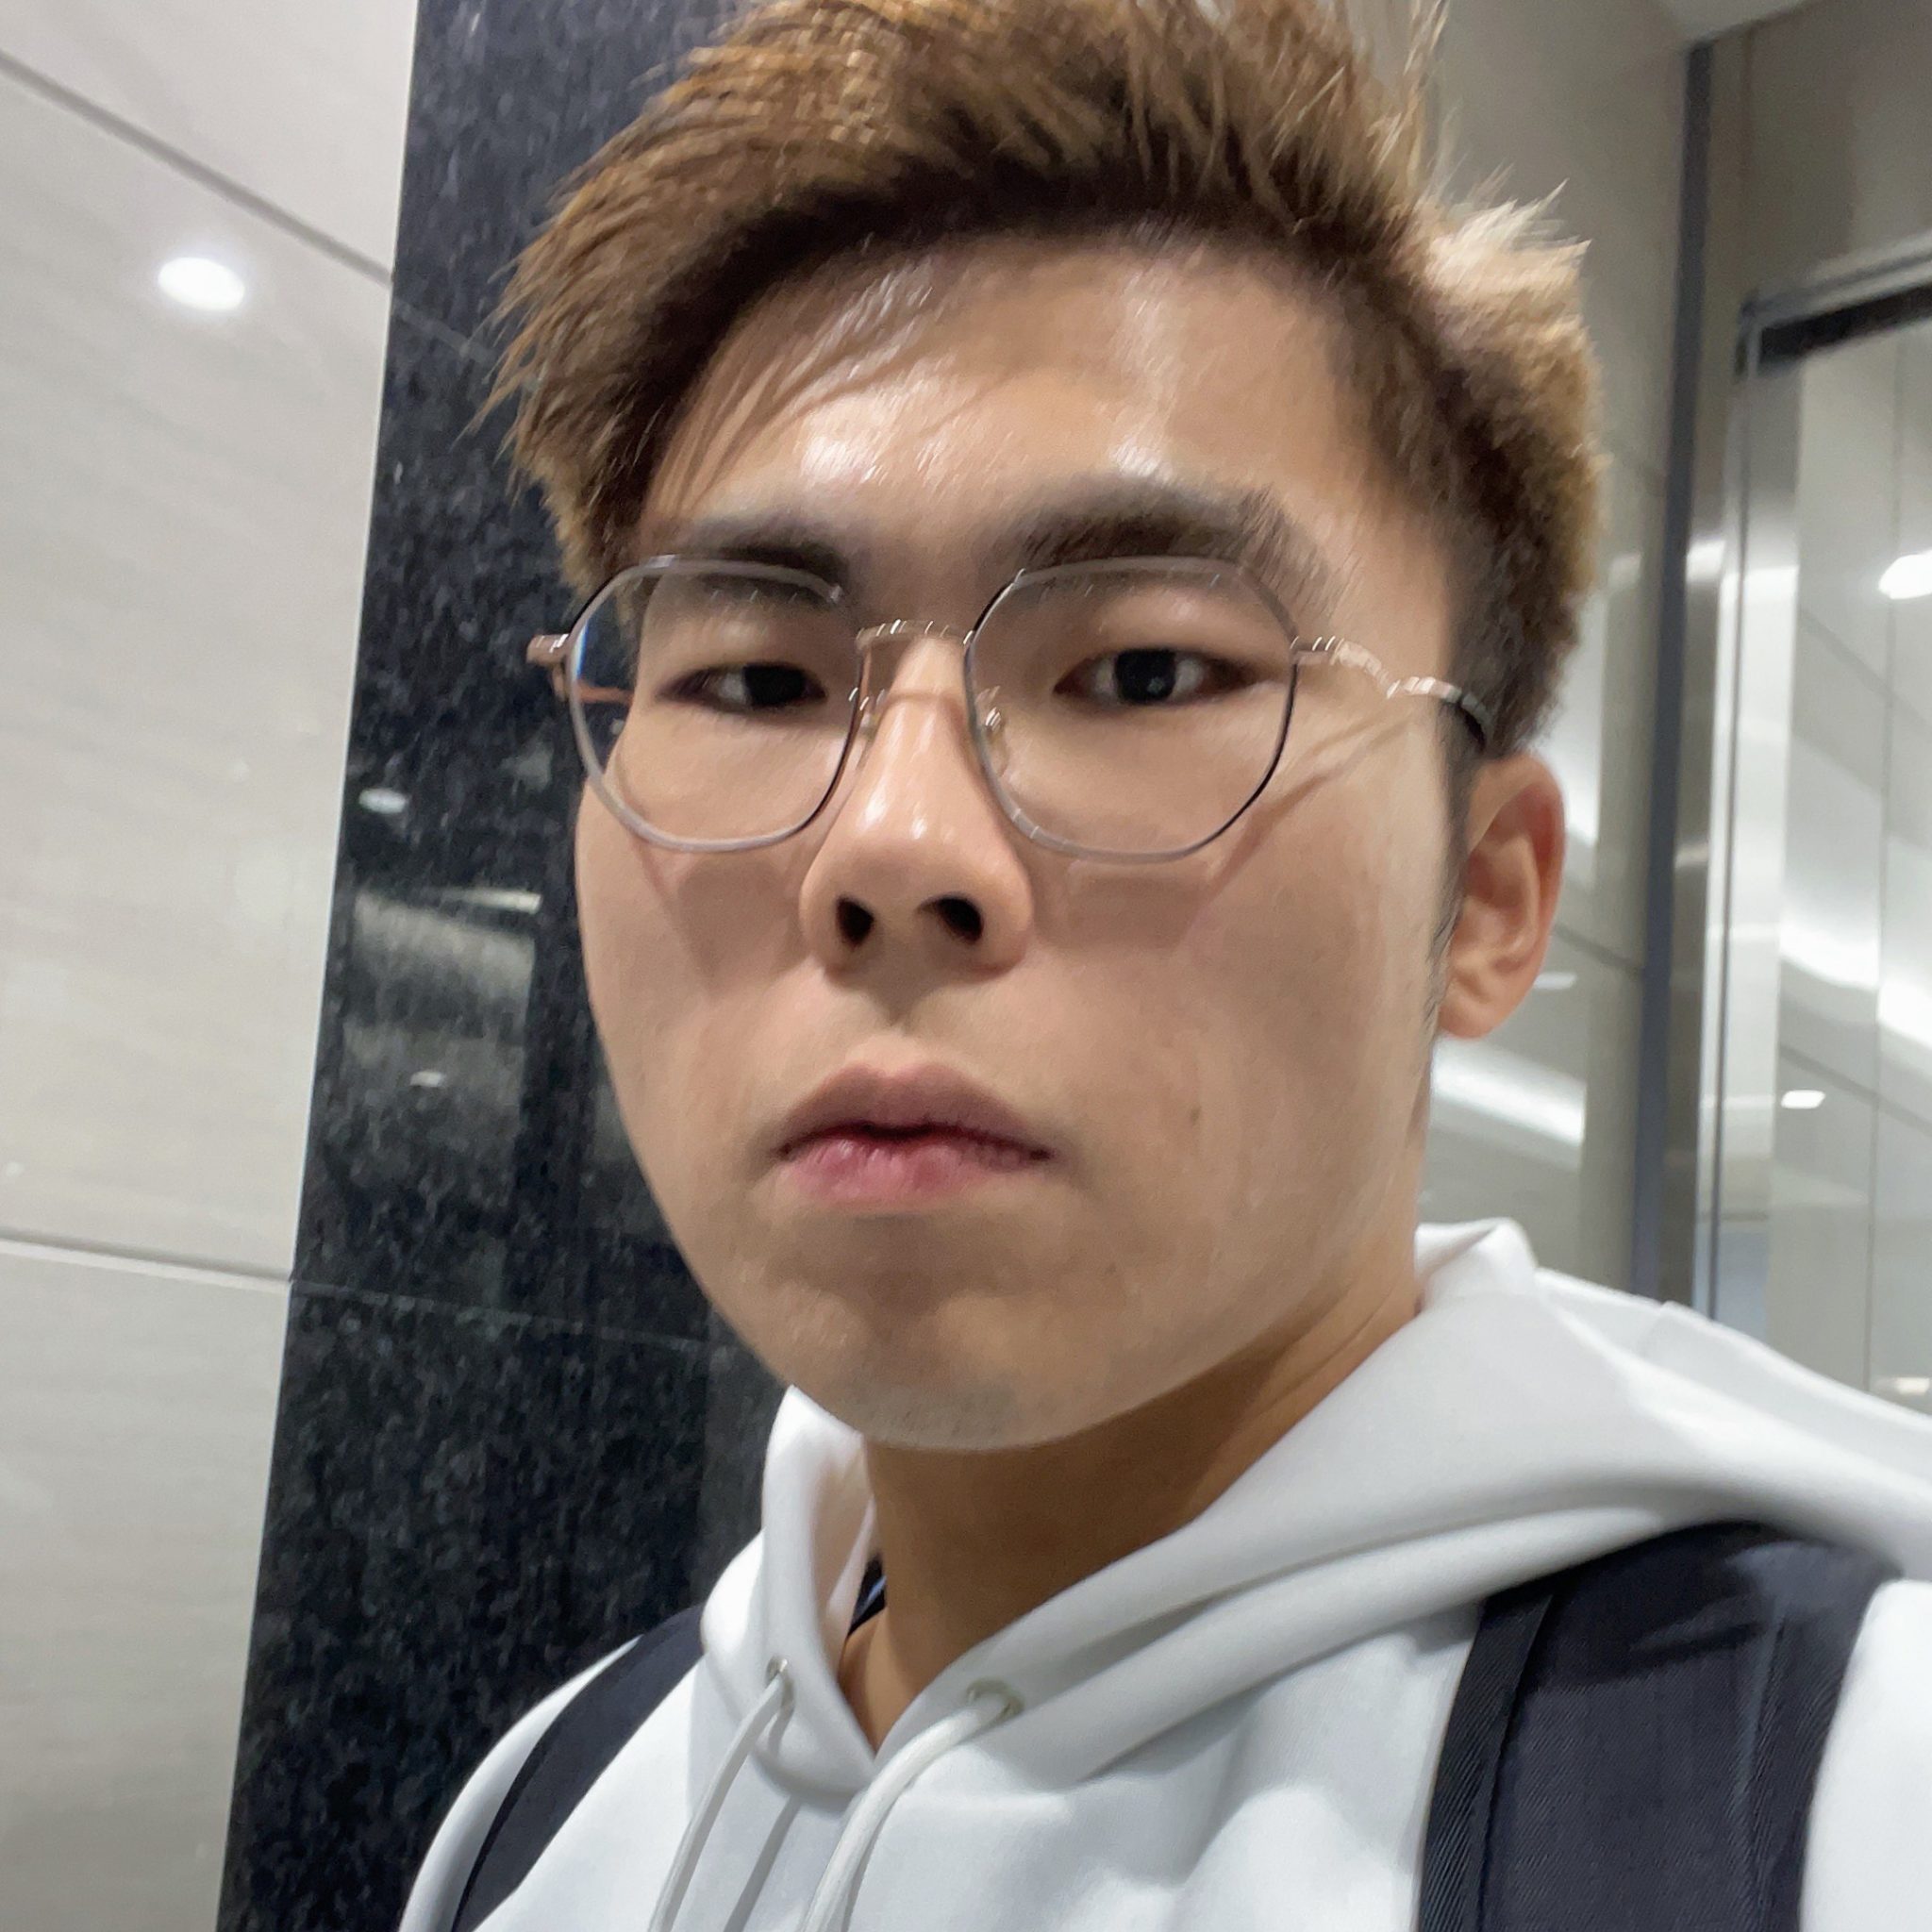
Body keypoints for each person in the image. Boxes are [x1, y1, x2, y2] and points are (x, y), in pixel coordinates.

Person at [400, 1, 1932, 1927]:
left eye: (1141, 670)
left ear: (1483, 897)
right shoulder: (551, 1810)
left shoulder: (1824, 1803)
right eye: (757, 682)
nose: (891, 848)